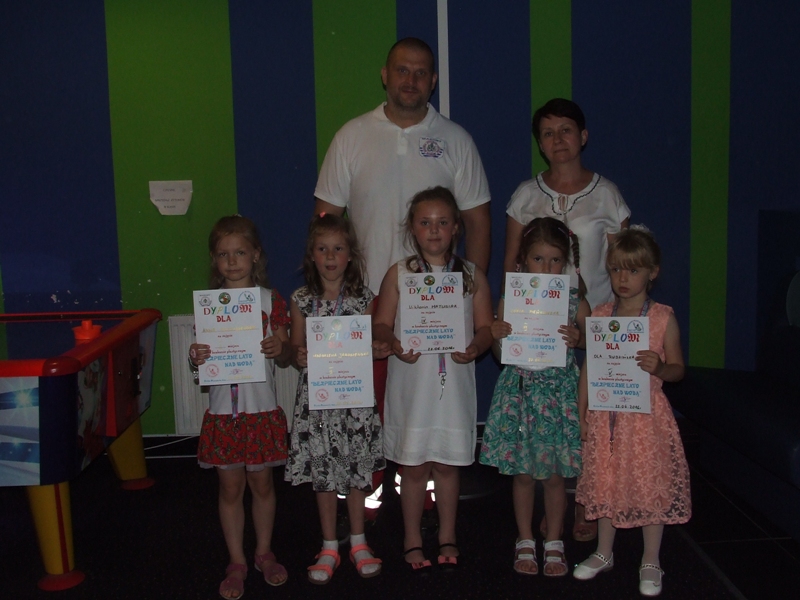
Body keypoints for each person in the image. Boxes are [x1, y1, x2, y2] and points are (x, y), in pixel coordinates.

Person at [503, 97, 631, 542]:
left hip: (593, 326)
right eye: (548, 133)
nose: (558, 140)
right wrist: (512, 324)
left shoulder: (608, 194)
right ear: (540, 144)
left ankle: (587, 502)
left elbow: (624, 264)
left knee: (590, 422)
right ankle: (551, 507)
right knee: (548, 424)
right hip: (538, 334)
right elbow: (512, 267)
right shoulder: (526, 195)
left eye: (566, 130)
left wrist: (611, 328)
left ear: (583, 136)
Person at [373, 186, 494, 571]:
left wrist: (476, 347)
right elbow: (380, 323)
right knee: (412, 467)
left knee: (446, 465)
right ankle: (411, 537)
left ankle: (447, 534)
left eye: (443, 222)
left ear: (456, 226)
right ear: (412, 228)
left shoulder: (471, 275)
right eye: (425, 222)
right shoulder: (399, 274)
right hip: (412, 385)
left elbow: (486, 328)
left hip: (453, 387)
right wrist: (393, 343)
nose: (434, 230)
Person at [314, 36, 491, 292]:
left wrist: (472, 293)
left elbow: (477, 224)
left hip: (437, 298)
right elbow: (324, 219)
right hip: (364, 295)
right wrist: (331, 292)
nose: (411, 80)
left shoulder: (457, 140)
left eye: (421, 73)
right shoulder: (350, 137)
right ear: (385, 75)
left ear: (433, 81)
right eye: (402, 70)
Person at [573, 226, 690, 597]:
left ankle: (651, 558)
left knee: (648, 484)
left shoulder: (662, 318)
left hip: (646, 420)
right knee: (607, 481)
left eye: (633, 270)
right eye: (616, 270)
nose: (623, 279)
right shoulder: (602, 315)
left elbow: (678, 369)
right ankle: (603, 551)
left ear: (652, 272)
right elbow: (590, 368)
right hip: (606, 417)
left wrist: (660, 367)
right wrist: (582, 410)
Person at [480, 217, 591, 577]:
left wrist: (580, 339)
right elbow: (500, 355)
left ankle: (555, 539)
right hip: (521, 392)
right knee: (524, 474)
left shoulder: (574, 299)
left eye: (555, 260)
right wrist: (497, 335)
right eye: (538, 259)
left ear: (566, 262)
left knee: (554, 476)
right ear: (523, 260)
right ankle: (525, 537)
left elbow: (596, 343)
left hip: (557, 394)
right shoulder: (511, 296)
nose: (546, 268)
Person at [188, 215, 290, 599]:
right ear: (214, 260)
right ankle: (236, 560)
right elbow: (200, 357)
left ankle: (264, 552)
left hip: (260, 408)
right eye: (223, 254)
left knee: (262, 484)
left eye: (240, 253)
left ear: (256, 255)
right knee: (230, 487)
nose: (232, 261)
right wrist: (195, 356)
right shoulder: (208, 305)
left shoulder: (270, 300)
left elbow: (285, 353)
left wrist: (279, 347)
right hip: (223, 412)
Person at [285, 213, 388, 584]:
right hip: (317, 401)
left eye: (338, 249)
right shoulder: (301, 300)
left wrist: (376, 348)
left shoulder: (364, 300)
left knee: (357, 469)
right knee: (323, 473)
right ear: (311, 254)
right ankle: (329, 544)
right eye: (322, 249)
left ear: (350, 255)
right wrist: (297, 354)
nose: (330, 256)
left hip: (354, 400)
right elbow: (294, 347)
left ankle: (359, 541)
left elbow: (371, 343)